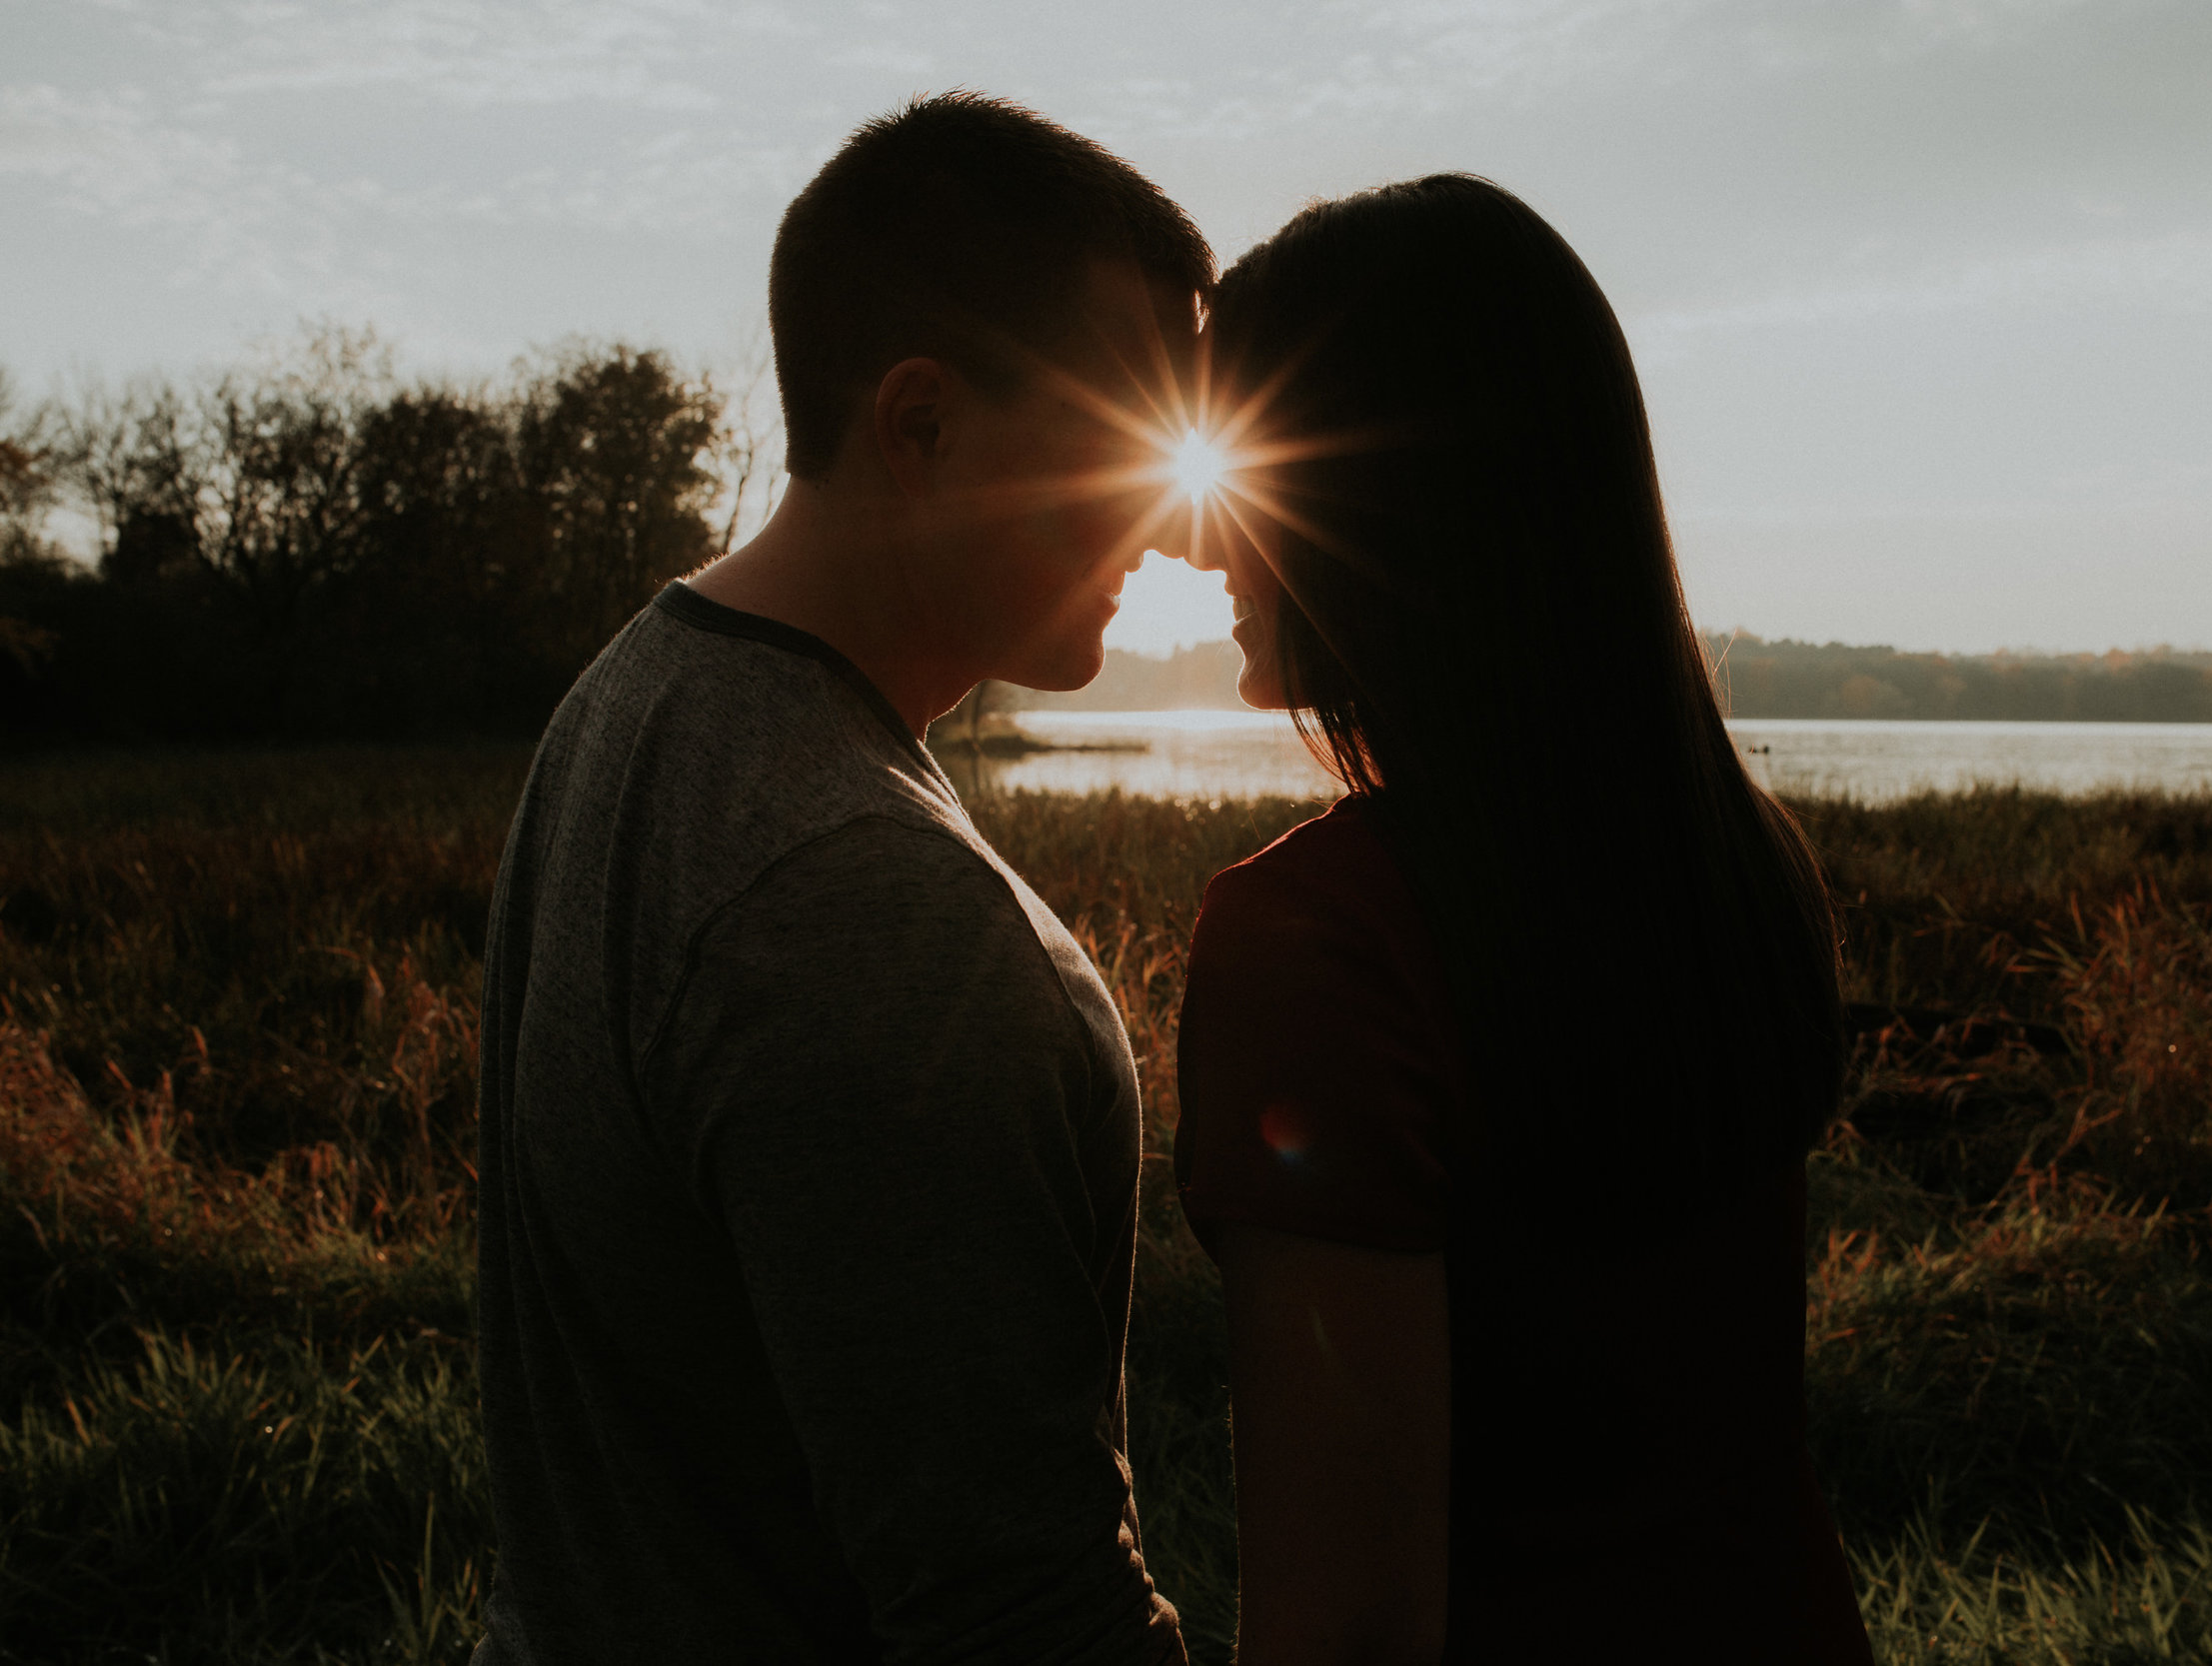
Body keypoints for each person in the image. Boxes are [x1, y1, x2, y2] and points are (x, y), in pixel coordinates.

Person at [472, 93, 1208, 1664]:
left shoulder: (627, 699)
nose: (1175, 518)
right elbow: (1015, 1612)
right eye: (1127, 448)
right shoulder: (869, 900)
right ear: (922, 425)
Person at [1172, 175, 1876, 1663]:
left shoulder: (1318, 945)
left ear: (1380, 504)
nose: (1202, 541)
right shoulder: (1740, 864)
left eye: (1241, 474)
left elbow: (1347, 1627)